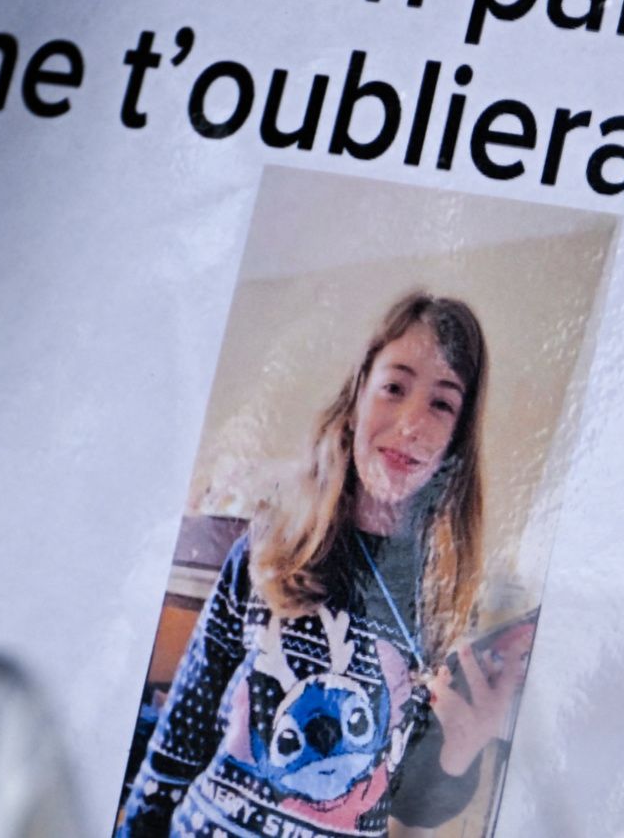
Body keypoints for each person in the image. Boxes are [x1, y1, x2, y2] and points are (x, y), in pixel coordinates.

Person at [118, 292, 530, 838]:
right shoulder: (269, 548)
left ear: (457, 439)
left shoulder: (442, 595)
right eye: (395, 387)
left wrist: (463, 746)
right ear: (357, 397)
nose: (411, 423)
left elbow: (409, 802)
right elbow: (176, 744)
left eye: (441, 404)